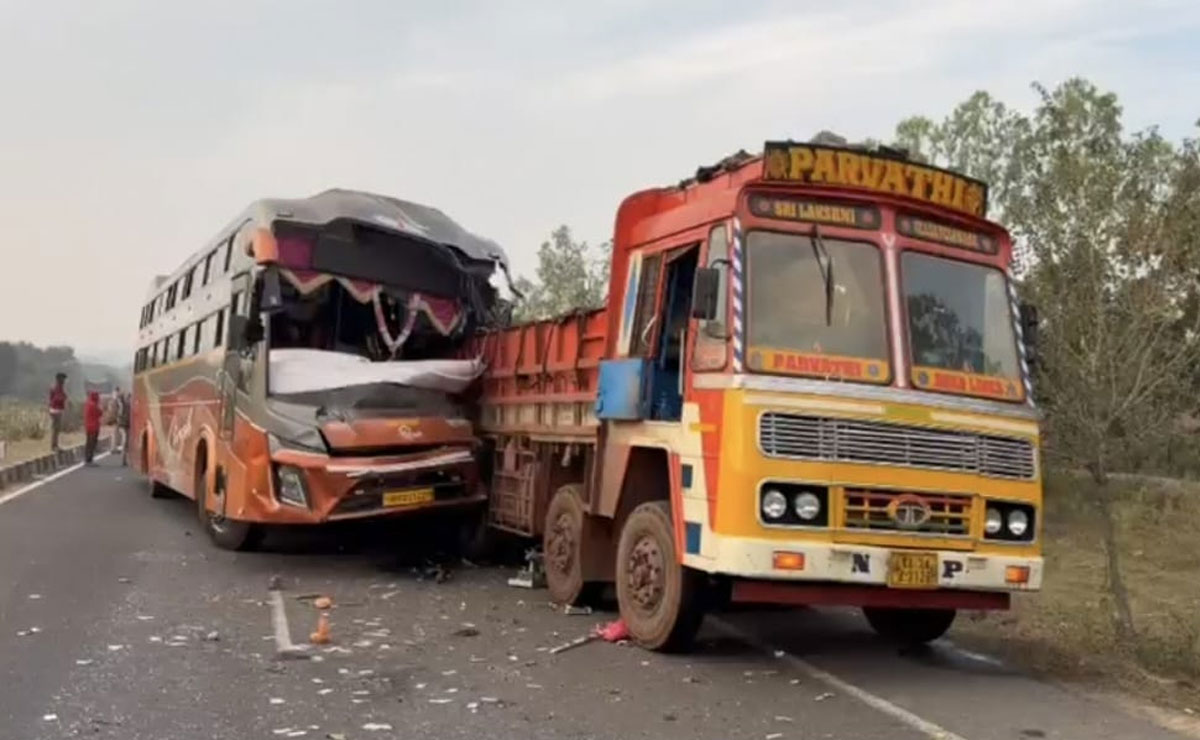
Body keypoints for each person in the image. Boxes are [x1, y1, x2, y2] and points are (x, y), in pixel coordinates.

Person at [48, 372, 68, 452]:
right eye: (63, 379)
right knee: (55, 429)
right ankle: (54, 446)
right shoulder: (57, 387)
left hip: (55, 409)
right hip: (56, 410)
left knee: (56, 429)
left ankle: (55, 445)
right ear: (60, 379)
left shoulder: (58, 387)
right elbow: (57, 398)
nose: (64, 381)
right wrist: (63, 397)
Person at [83, 391, 102, 465]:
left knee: (88, 443)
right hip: (94, 427)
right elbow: (100, 413)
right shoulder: (93, 405)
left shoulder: (88, 404)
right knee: (92, 444)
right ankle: (89, 459)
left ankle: (87, 459)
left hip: (88, 426)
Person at [109, 387, 128, 455]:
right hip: (117, 419)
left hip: (114, 419)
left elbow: (111, 410)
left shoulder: (112, 400)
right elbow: (120, 410)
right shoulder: (118, 401)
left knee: (114, 434)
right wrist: (119, 417)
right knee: (120, 434)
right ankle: (118, 448)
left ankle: (113, 448)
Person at [119, 390, 132, 466]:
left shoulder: (130, 406)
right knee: (125, 442)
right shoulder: (124, 406)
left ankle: (125, 459)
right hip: (123, 426)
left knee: (127, 443)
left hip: (127, 425)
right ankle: (123, 459)